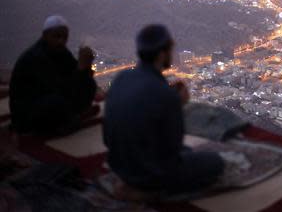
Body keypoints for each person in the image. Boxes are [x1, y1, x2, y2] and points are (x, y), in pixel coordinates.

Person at [103, 25, 224, 195]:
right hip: (150, 176)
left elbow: (108, 136)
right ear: (161, 54)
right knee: (215, 162)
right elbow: (173, 147)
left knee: (189, 152)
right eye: (170, 49)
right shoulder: (166, 95)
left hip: (119, 166)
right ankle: (152, 192)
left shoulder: (121, 78)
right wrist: (177, 104)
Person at [9, 15, 98, 135]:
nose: (61, 40)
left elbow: (75, 78)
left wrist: (86, 68)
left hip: (52, 100)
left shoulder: (61, 51)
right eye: (57, 36)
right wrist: (81, 68)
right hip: (28, 112)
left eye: (64, 37)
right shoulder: (36, 58)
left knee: (89, 85)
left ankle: (71, 117)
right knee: (57, 102)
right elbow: (61, 90)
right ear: (45, 35)